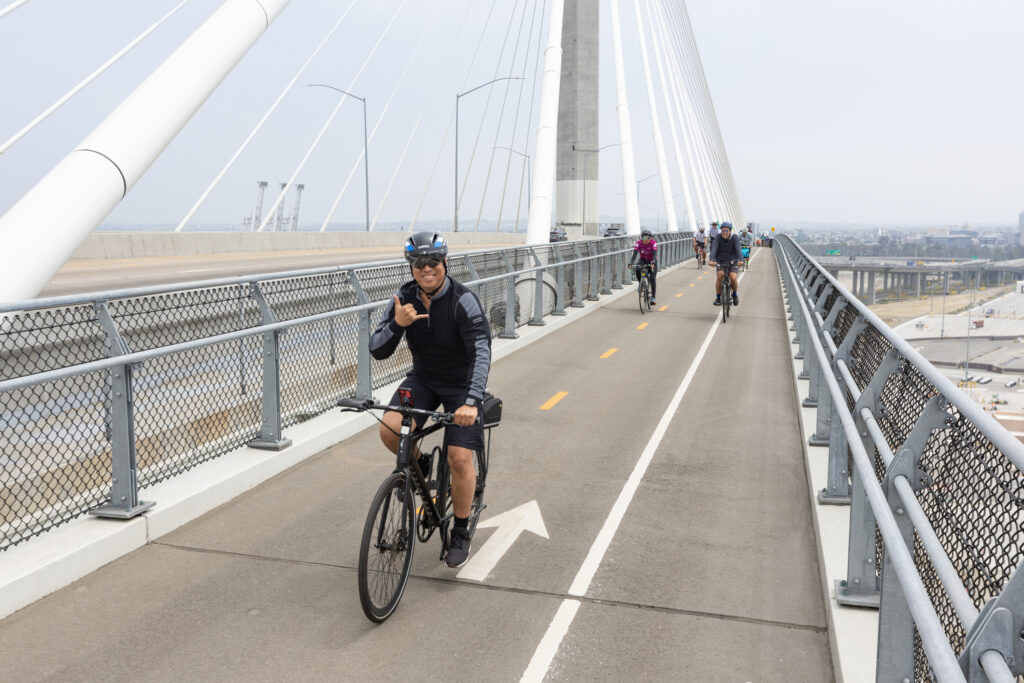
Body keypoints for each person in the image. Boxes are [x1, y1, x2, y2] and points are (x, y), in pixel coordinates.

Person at [369, 232, 492, 569]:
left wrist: (471, 401)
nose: (426, 269)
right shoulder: (403, 298)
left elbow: (482, 353)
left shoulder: (462, 300)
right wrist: (398, 324)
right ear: (411, 267)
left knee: (458, 458)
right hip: (423, 378)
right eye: (419, 263)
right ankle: (419, 463)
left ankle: (462, 530)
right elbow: (377, 349)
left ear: (445, 263)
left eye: (433, 262)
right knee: (390, 430)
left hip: (460, 385)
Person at [708, 221, 741, 307]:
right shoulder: (718, 238)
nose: (724, 233)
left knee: (733, 277)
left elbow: (738, 249)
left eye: (726, 231)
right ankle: (718, 298)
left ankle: (734, 294)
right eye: (722, 231)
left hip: (733, 261)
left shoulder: (734, 237)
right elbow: (714, 249)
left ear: (730, 231)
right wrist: (711, 260)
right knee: (720, 275)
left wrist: (741, 260)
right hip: (721, 261)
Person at [628, 228, 658, 305]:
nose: (646, 240)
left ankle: (653, 297)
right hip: (643, 259)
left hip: (652, 260)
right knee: (637, 269)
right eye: (644, 238)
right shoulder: (638, 243)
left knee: (652, 278)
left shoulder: (653, 243)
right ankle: (641, 284)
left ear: (650, 238)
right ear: (641, 238)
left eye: (647, 238)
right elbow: (634, 254)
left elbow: (654, 253)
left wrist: (653, 261)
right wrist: (631, 262)